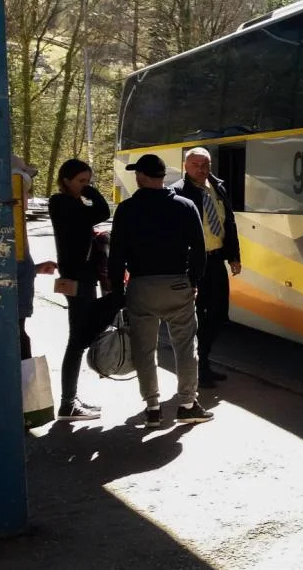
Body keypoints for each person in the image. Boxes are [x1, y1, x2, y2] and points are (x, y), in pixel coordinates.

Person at [108, 154, 213, 428]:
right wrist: (194, 282)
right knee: (186, 345)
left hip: (141, 285)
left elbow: (116, 255)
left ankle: (153, 408)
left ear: (142, 176)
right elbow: (200, 251)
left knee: (145, 348)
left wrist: (117, 290)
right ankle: (188, 404)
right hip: (177, 283)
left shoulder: (127, 209)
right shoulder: (186, 205)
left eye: (137, 174)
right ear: (162, 176)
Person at [170, 147, 241, 388]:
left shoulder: (218, 187)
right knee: (196, 316)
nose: (202, 169)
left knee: (220, 314)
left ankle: (204, 360)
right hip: (194, 264)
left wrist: (234, 256)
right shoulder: (179, 192)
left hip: (216, 260)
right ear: (185, 166)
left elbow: (228, 222)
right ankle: (198, 369)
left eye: (205, 164)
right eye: (196, 165)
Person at [49, 158, 110, 420]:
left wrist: (86, 190)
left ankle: (70, 400)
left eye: (88, 181)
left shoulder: (73, 203)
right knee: (77, 340)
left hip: (82, 277)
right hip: (77, 279)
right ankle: (67, 403)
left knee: (80, 337)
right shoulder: (61, 203)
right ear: (66, 181)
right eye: (81, 182)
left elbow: (99, 213)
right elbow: (102, 212)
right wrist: (90, 193)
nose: (85, 187)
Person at [13, 155, 57, 359]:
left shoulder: (16, 222)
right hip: (12, 313)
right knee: (19, 339)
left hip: (17, 310)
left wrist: (35, 269)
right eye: (24, 188)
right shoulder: (7, 223)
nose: (28, 195)